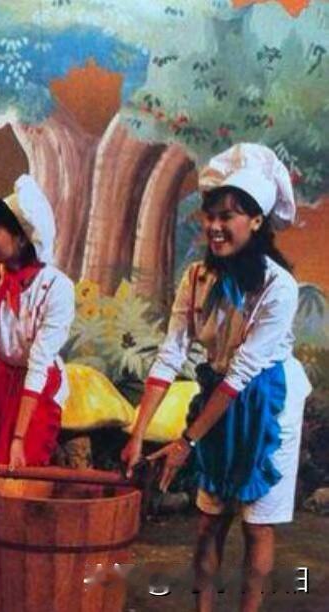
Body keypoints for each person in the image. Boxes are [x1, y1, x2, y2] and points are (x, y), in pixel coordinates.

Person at [122, 143, 310, 612]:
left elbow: (244, 371)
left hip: (268, 404)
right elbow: (171, 354)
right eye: (210, 216)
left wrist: (186, 441)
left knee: (256, 525)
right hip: (217, 399)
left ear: (257, 221)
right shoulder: (195, 279)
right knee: (208, 522)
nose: (214, 226)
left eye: (228, 216)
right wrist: (138, 433)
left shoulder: (278, 287)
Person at [0, 175, 75, 611]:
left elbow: (39, 364)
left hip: (35, 390)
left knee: (15, 491)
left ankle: (21, 594)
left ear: (21, 237)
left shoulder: (56, 287)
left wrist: (19, 438)